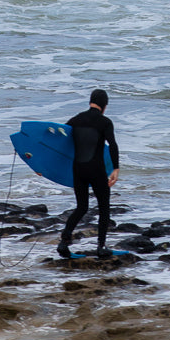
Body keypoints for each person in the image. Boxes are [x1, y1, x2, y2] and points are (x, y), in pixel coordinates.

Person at [57, 89, 120, 258]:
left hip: (78, 169)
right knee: (104, 208)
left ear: (90, 101)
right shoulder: (105, 122)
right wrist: (115, 168)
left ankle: (64, 243)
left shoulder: (75, 120)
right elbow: (112, 145)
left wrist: (42, 167)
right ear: (104, 106)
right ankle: (101, 247)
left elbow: (58, 143)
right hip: (96, 169)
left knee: (82, 207)